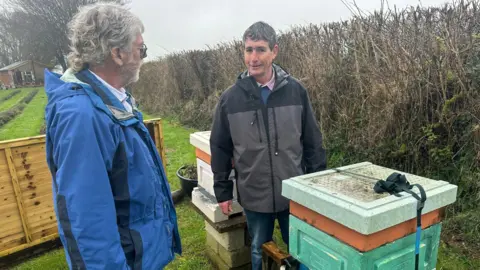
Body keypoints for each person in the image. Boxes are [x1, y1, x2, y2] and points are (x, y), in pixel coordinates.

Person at [43, 3, 181, 269]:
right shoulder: (82, 115)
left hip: (140, 256)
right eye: (141, 49)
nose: (143, 56)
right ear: (118, 53)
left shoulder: (111, 100)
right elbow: (88, 221)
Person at [209, 21, 327, 270]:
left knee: (300, 250)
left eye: (260, 49)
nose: (253, 57)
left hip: (293, 192)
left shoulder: (296, 91)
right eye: (248, 49)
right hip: (254, 192)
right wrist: (222, 190)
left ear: (274, 51)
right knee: (259, 249)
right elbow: (219, 147)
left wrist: (315, 187)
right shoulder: (230, 99)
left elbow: (312, 141)